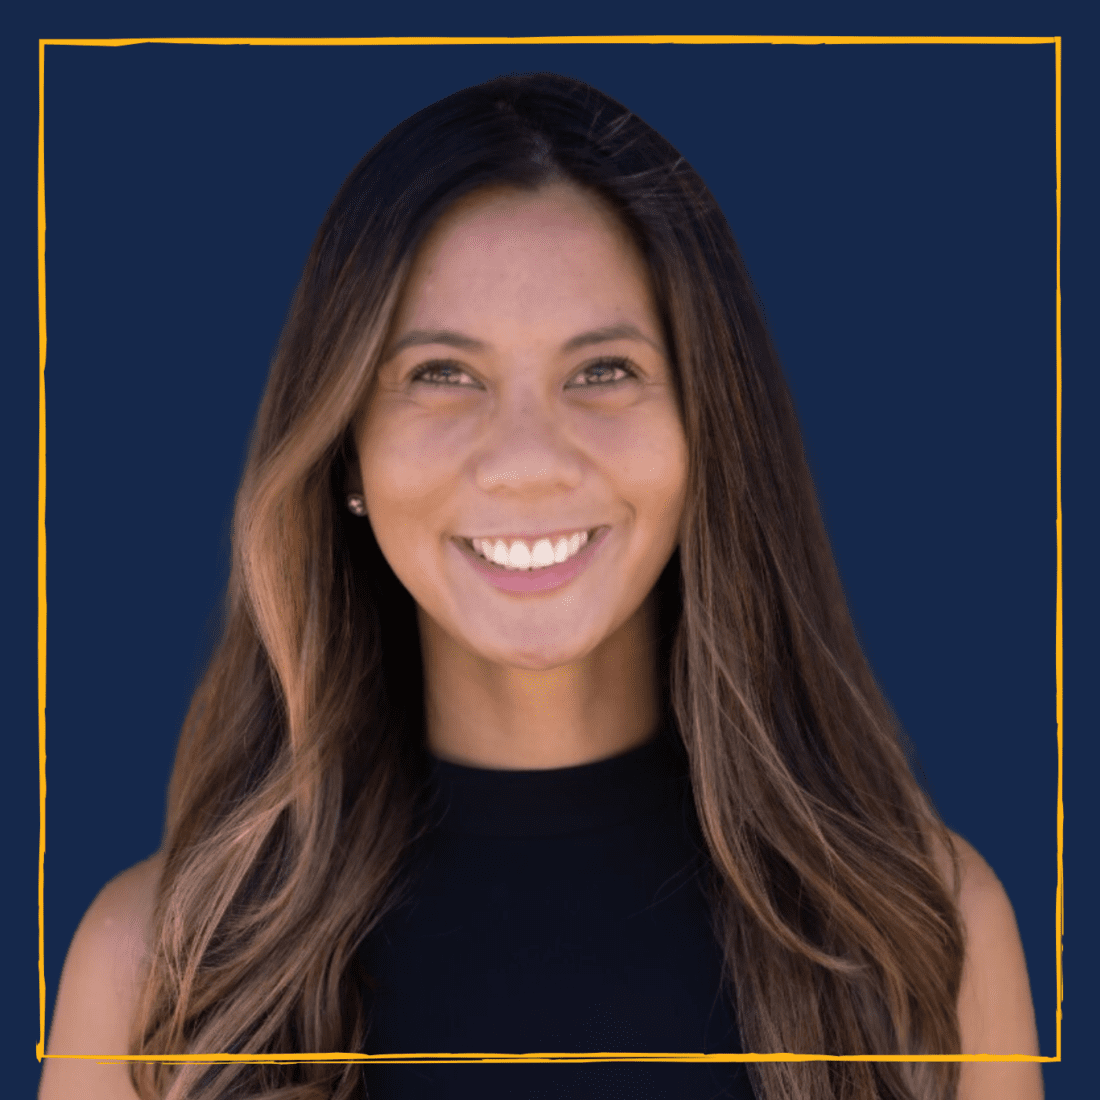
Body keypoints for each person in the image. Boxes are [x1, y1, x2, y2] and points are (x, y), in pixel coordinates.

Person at [40, 72, 1042, 1100]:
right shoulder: (159, 972)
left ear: (707, 429)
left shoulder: (920, 935)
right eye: (440, 373)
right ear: (344, 452)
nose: (526, 460)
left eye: (602, 369)